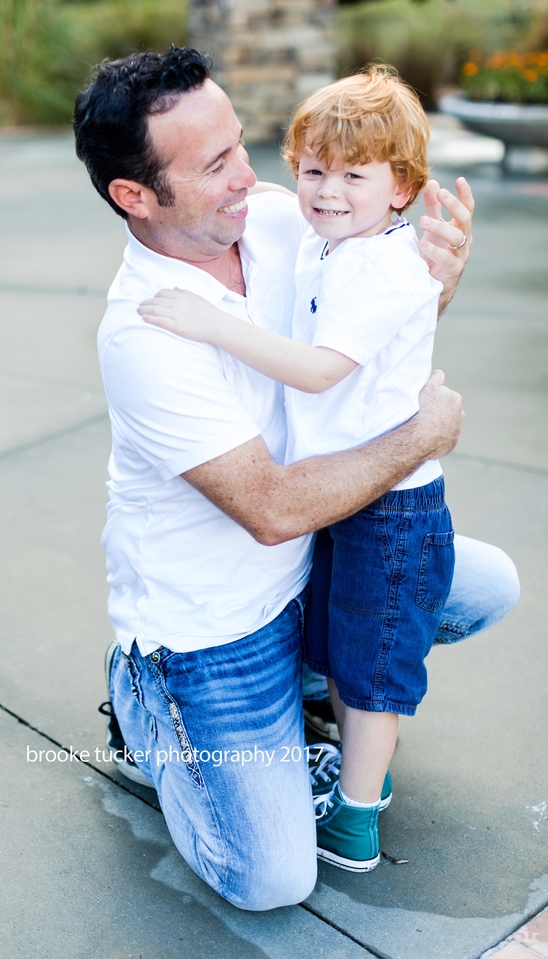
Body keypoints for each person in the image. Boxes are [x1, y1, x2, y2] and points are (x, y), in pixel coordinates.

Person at [72, 46, 519, 911]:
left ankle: (307, 689)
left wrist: (436, 284)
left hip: (316, 563)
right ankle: (145, 705)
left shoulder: (283, 218)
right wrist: (423, 435)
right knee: (271, 878)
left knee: (484, 584)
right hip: (215, 632)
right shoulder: (144, 333)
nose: (253, 177)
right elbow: (272, 510)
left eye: (242, 144)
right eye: (214, 165)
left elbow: (366, 340)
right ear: (136, 195)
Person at [138, 66, 458, 874]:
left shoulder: (382, 263)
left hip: (390, 507)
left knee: (375, 661)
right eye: (313, 169)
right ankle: (344, 763)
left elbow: (319, 370)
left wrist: (212, 325)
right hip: (342, 497)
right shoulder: (326, 243)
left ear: (402, 189)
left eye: (356, 174)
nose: (327, 190)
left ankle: (354, 816)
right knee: (348, 645)